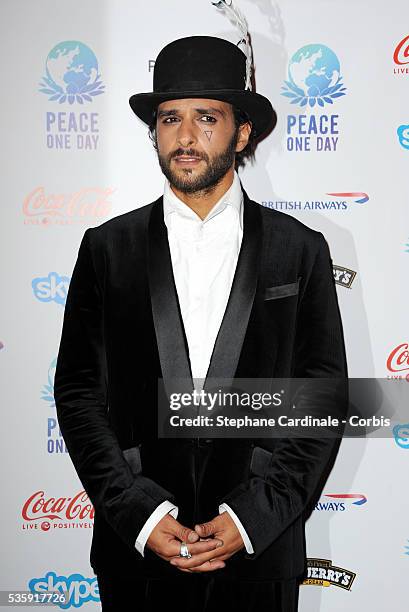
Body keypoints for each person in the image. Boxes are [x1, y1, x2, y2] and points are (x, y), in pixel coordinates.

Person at [54, 33, 348, 612]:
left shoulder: (301, 250)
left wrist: (251, 517)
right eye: (169, 119)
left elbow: (323, 399)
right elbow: (80, 393)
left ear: (243, 132)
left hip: (259, 557)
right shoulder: (105, 249)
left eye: (206, 117)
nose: (185, 137)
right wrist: (138, 513)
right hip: (135, 556)